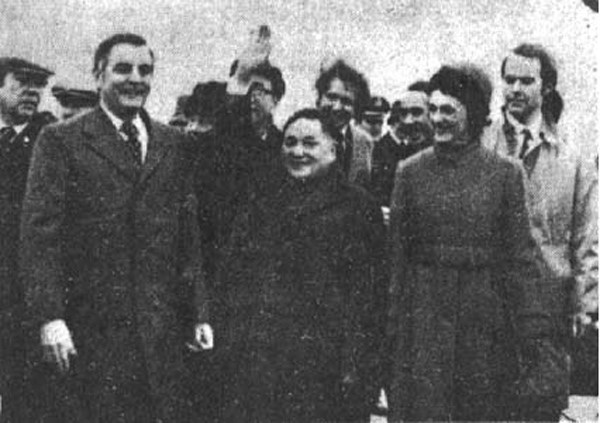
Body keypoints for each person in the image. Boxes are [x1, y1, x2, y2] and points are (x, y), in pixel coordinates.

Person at [20, 33, 212, 423]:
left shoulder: (173, 144)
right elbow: (40, 236)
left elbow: (186, 236)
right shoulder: (60, 140)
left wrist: (199, 312)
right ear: (98, 76)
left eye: (145, 70)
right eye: (123, 69)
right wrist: (50, 317)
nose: (135, 79)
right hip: (90, 335)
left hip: (160, 335)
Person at [386, 65, 543, 421]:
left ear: (472, 114)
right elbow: (396, 258)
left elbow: (521, 259)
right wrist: (393, 328)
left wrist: (531, 332)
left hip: (484, 320)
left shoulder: (505, 173)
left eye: (448, 110)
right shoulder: (409, 171)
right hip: (423, 318)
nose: (437, 119)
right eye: (433, 109)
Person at [216, 108, 387, 423]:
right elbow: (234, 275)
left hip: (327, 371)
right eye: (290, 142)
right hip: (263, 366)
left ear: (333, 150)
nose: (298, 152)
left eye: (310, 143)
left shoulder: (359, 207)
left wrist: (358, 368)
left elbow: (370, 298)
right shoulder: (262, 199)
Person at [482, 43, 598, 421]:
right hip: (487, 306)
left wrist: (586, 306)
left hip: (547, 312)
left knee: (539, 410)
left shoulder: (571, 157)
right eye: (509, 80)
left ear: (546, 87)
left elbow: (587, 239)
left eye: (526, 81)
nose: (515, 89)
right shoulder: (482, 144)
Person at [0, 56, 54, 423]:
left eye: (39, 85)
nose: (33, 92)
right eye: (22, 82)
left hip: (22, 295)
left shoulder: (50, 141)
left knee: (25, 396)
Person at [371, 86, 433, 209]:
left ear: (432, 114)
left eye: (416, 112)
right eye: (404, 113)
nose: (408, 121)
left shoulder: (451, 155)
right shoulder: (402, 158)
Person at [315, 59, 373, 188]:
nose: (337, 107)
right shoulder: (300, 135)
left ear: (356, 108)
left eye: (346, 101)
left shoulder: (364, 143)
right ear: (319, 99)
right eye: (331, 97)